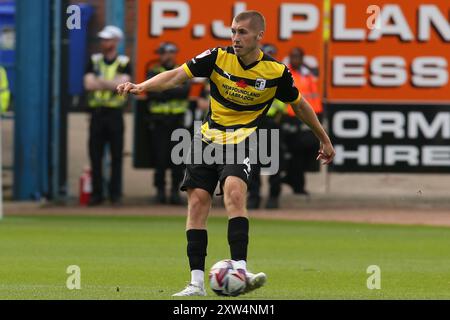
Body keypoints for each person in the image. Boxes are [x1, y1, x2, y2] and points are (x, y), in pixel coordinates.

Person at [117, 11, 335, 297]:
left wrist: (324, 139)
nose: (235, 38)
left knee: (234, 192)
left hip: (243, 139)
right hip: (206, 138)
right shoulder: (217, 57)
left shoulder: (276, 72)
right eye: (233, 31)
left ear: (259, 36)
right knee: (197, 204)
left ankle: (240, 271)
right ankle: (195, 284)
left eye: (243, 32)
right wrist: (141, 86)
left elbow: (301, 105)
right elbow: (176, 76)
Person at [83, 26, 131, 206]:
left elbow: (123, 85)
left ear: (116, 41)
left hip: (115, 115)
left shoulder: (124, 61)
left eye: (108, 39)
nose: (104, 42)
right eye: (103, 39)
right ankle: (97, 194)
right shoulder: (94, 60)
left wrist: (100, 82)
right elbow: (88, 85)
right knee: (95, 156)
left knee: (116, 156)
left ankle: (115, 194)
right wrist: (112, 84)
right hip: (96, 114)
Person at [146, 42, 191, 205]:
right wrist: (171, 91)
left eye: (170, 52)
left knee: (177, 159)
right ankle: (159, 191)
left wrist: (162, 89)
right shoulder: (154, 71)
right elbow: (151, 94)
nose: (167, 55)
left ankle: (174, 191)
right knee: (159, 159)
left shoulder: (182, 70)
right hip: (159, 122)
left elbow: (184, 92)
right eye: (164, 52)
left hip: (177, 121)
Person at [247, 44, 286, 209]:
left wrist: (277, 118)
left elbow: (284, 103)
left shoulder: (279, 74)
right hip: (255, 123)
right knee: (253, 164)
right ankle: (254, 197)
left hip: (272, 123)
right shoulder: (253, 73)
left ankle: (273, 197)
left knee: (274, 164)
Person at [282, 47, 323, 195]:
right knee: (296, 151)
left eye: (297, 56)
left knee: (311, 147)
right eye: (293, 56)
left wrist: (318, 112)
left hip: (309, 114)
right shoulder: (285, 73)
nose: (295, 59)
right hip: (291, 116)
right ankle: (296, 183)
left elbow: (313, 95)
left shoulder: (307, 73)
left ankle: (290, 177)